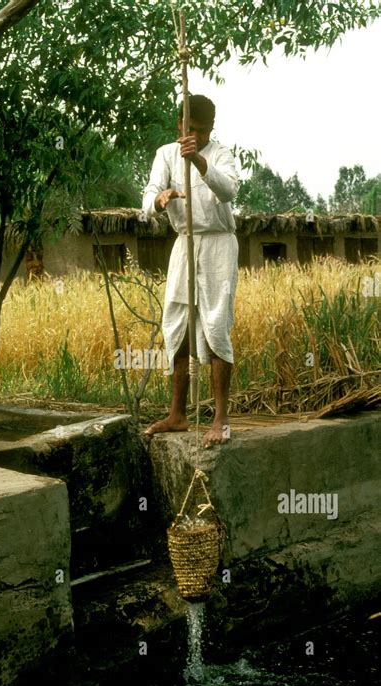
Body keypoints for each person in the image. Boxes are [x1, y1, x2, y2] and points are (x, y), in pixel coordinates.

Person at [142, 94, 239, 448]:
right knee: (177, 325)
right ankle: (178, 413)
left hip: (217, 245)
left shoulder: (221, 155)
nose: (195, 135)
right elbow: (147, 197)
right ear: (179, 126)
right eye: (190, 129)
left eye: (203, 131)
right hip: (184, 245)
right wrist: (160, 197)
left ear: (211, 129)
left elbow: (228, 190)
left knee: (215, 326)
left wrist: (197, 159)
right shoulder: (166, 154)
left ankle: (220, 419)